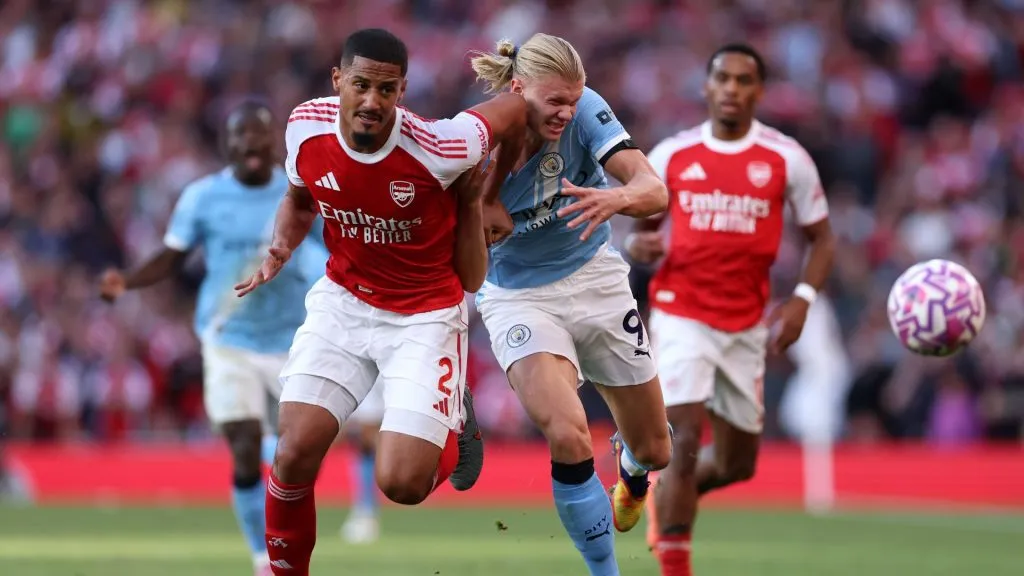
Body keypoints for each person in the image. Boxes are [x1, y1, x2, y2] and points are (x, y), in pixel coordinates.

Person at [233, 29, 527, 576]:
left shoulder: (442, 145)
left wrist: (487, 196)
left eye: (386, 90)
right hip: (343, 302)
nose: (372, 101)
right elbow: (299, 199)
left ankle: (454, 420)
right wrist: (280, 246)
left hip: (424, 316)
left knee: (403, 484)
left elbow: (513, 109)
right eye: (361, 85)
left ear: (402, 90)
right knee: (294, 451)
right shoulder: (305, 126)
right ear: (338, 80)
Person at [468, 34, 672, 576]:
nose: (565, 112)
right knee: (568, 429)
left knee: (656, 450)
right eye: (553, 101)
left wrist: (618, 198)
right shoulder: (478, 138)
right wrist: (476, 227)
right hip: (518, 297)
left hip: (595, 279)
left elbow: (655, 190)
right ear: (518, 88)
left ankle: (631, 468)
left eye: (572, 101)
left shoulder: (586, 111)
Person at [628, 44, 835, 575]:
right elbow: (641, 234)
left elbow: (823, 238)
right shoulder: (673, 154)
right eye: (723, 78)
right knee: (686, 442)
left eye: (744, 81)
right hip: (681, 313)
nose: (732, 89)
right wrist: (639, 246)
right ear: (707, 85)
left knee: (739, 463)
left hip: (746, 324)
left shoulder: (786, 158)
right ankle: (675, 555)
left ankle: (664, 499)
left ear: (758, 92)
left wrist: (802, 301)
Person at [98, 101, 325, 576]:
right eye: (239, 136)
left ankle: (285, 532)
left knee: (298, 454)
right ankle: (263, 558)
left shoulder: (300, 191)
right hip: (228, 340)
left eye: (258, 134)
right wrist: (128, 281)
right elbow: (172, 255)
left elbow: (330, 251)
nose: (249, 144)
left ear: (274, 141)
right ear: (227, 145)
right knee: (242, 442)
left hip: (293, 341)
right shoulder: (203, 197)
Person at [337, 383, 384, 544]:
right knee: (363, 444)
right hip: (362, 371)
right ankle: (365, 510)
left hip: (373, 372)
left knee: (366, 440)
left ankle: (367, 513)